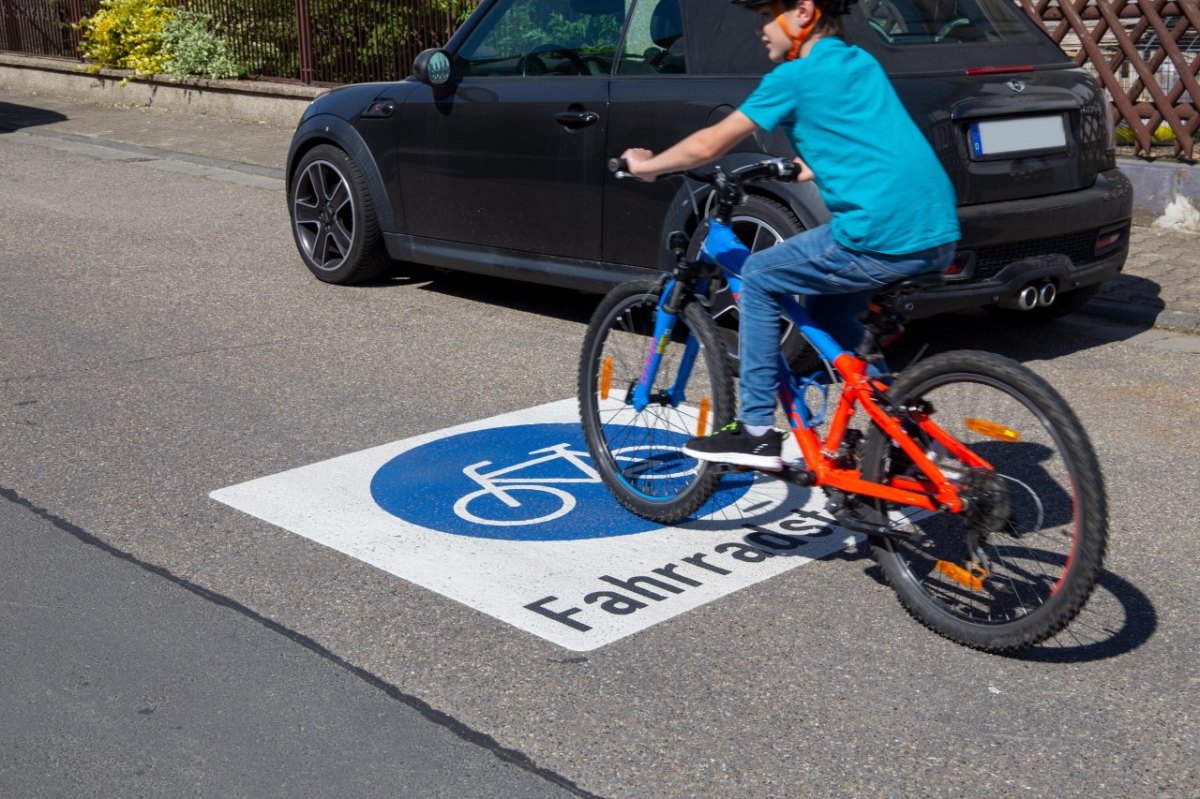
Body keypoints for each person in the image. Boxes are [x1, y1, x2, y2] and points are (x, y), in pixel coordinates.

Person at [620, 0, 960, 472]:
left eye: (765, 15)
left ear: (803, 11)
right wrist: (811, 165)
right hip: (936, 230)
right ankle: (901, 433)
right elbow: (869, 136)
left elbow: (708, 144)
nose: (759, 29)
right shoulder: (858, 60)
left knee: (758, 276)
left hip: (877, 233)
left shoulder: (792, 78)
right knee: (832, 314)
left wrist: (647, 167)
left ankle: (756, 432)